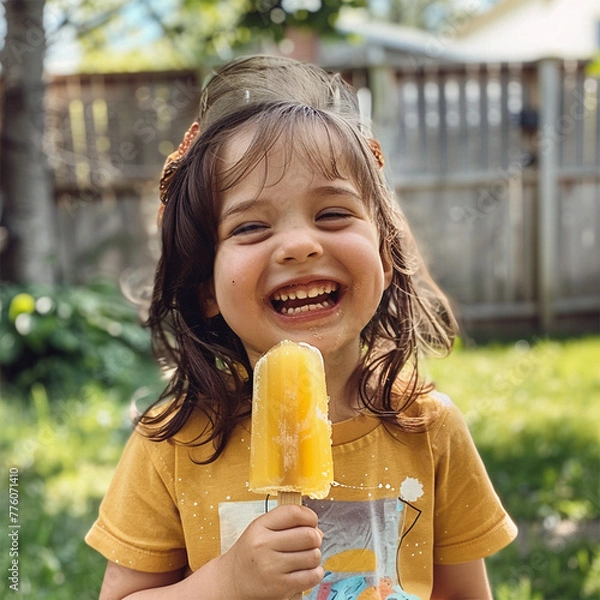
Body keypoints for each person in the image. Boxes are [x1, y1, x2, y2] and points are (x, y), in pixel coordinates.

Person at [86, 55, 517, 600]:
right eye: (250, 225)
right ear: (204, 288)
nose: (299, 245)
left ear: (384, 256)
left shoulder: (429, 429)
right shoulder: (173, 443)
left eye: (333, 214)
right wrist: (227, 581)